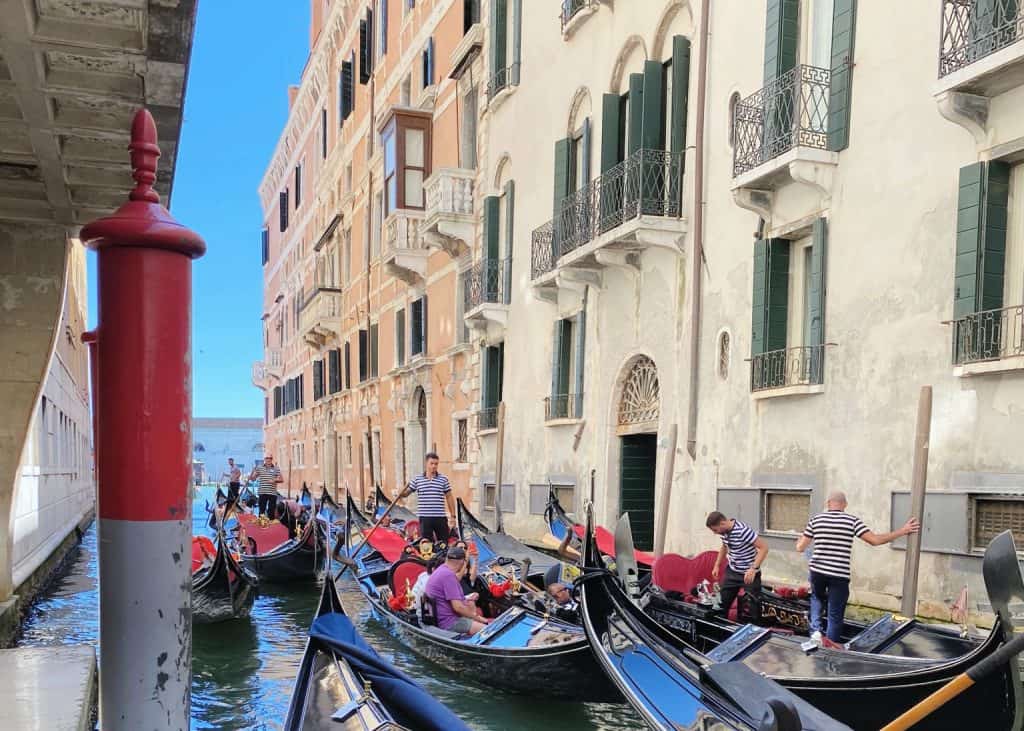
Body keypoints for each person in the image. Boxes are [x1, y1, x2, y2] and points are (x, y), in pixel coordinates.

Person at [796, 491, 920, 644]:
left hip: (817, 572)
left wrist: (802, 544)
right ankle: (831, 645)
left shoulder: (816, 520)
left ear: (828, 504)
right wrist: (903, 531)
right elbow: (875, 540)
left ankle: (815, 633)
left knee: (817, 599)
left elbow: (800, 547)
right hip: (839, 574)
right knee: (835, 613)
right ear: (845, 505)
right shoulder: (852, 521)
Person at [706, 511, 769, 618]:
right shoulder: (724, 532)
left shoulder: (743, 531)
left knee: (752, 609)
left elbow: (764, 547)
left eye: (715, 530)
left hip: (749, 574)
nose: (715, 533)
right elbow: (725, 546)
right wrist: (717, 565)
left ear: (722, 524)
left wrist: (753, 569)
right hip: (732, 572)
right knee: (720, 604)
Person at [424, 546, 488, 634]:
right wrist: (478, 618)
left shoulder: (442, 570)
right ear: (461, 562)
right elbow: (458, 607)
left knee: (470, 603)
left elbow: (455, 582)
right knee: (487, 630)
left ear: (447, 558)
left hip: (442, 619)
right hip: (450, 623)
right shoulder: (448, 575)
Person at [401, 452, 456, 544]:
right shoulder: (417, 479)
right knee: (426, 545)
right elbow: (406, 494)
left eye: (436, 464)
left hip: (440, 517)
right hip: (425, 518)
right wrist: (400, 492)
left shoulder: (443, 479)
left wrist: (453, 516)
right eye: (432, 463)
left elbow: (449, 497)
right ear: (426, 463)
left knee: (444, 543)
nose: (434, 466)